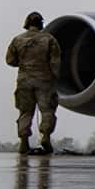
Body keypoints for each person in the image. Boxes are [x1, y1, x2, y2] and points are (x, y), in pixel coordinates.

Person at [5, 11, 61, 156]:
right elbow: (55, 62)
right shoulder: (49, 39)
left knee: (25, 112)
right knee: (47, 111)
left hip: (24, 80)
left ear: (27, 24)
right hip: (44, 80)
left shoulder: (17, 40)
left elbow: (10, 60)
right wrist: (55, 77)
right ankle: (46, 137)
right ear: (41, 24)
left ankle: (24, 141)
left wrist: (25, 64)